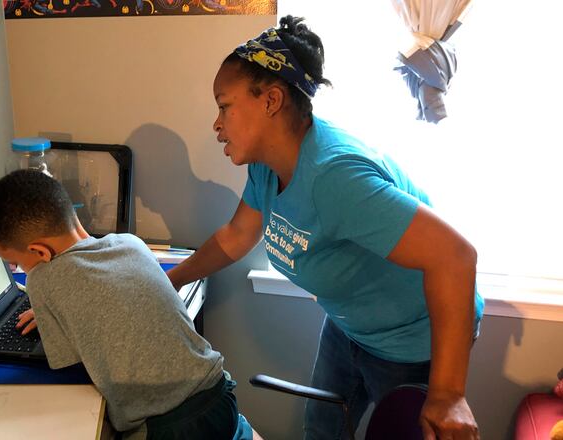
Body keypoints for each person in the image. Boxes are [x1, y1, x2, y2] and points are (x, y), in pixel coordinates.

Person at [166, 15, 483, 440]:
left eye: (224, 106)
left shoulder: (335, 178)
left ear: (271, 100)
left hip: (411, 340)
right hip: (349, 325)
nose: (216, 124)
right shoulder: (266, 166)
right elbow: (236, 235)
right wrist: (171, 280)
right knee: (321, 429)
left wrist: (447, 393)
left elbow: (456, 257)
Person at [0, 169, 260, 440]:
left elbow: (69, 366)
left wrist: (52, 312)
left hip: (169, 429)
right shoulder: (130, 243)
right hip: (221, 397)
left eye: (15, 262)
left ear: (39, 251)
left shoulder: (42, 281)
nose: (16, 268)